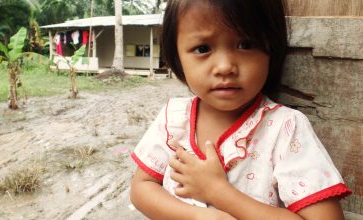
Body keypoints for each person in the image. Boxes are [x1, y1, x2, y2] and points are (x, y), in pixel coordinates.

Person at [130, 0, 352, 219]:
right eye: (202, 48)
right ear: (177, 57)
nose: (225, 66)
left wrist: (220, 193)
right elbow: (141, 189)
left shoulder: (284, 128)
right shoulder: (173, 119)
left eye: (245, 44)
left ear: (271, 50)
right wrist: (201, 217)